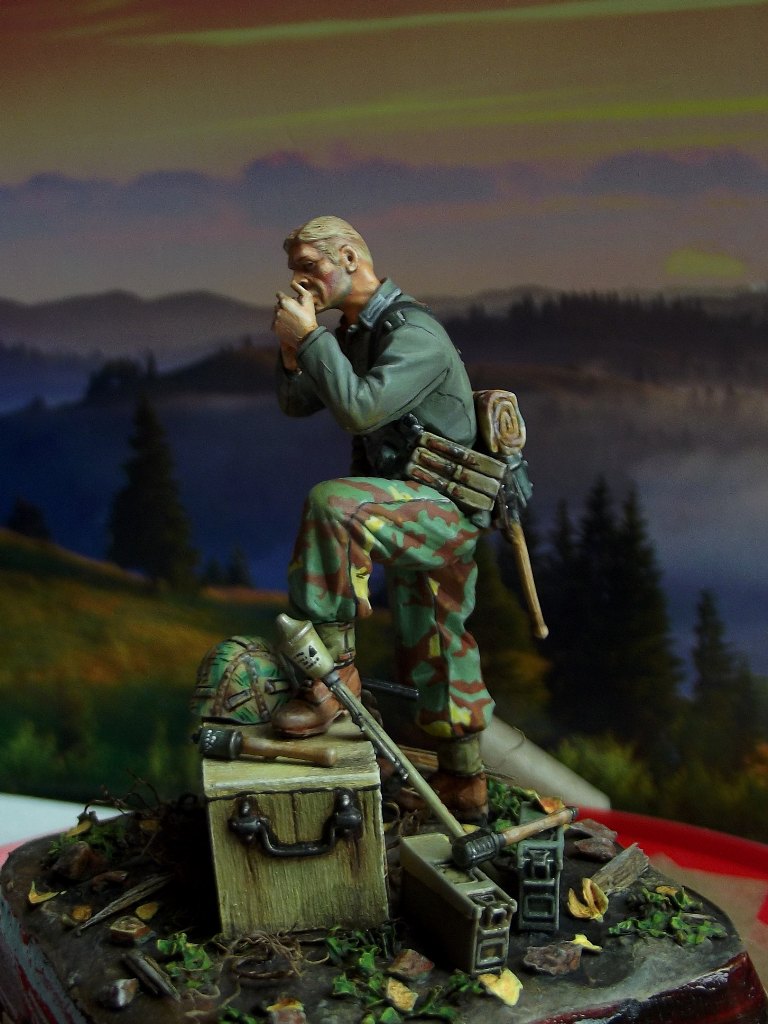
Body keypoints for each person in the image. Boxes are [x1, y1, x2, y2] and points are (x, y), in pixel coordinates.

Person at [271, 215, 493, 821]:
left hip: (443, 508)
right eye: (295, 272)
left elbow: (360, 411)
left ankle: (330, 682)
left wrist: (312, 339)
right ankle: (464, 780)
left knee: (333, 504)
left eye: (310, 268)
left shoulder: (413, 332)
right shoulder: (357, 332)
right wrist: (294, 350)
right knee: (436, 638)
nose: (301, 282)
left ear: (349, 257)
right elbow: (297, 402)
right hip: (409, 504)